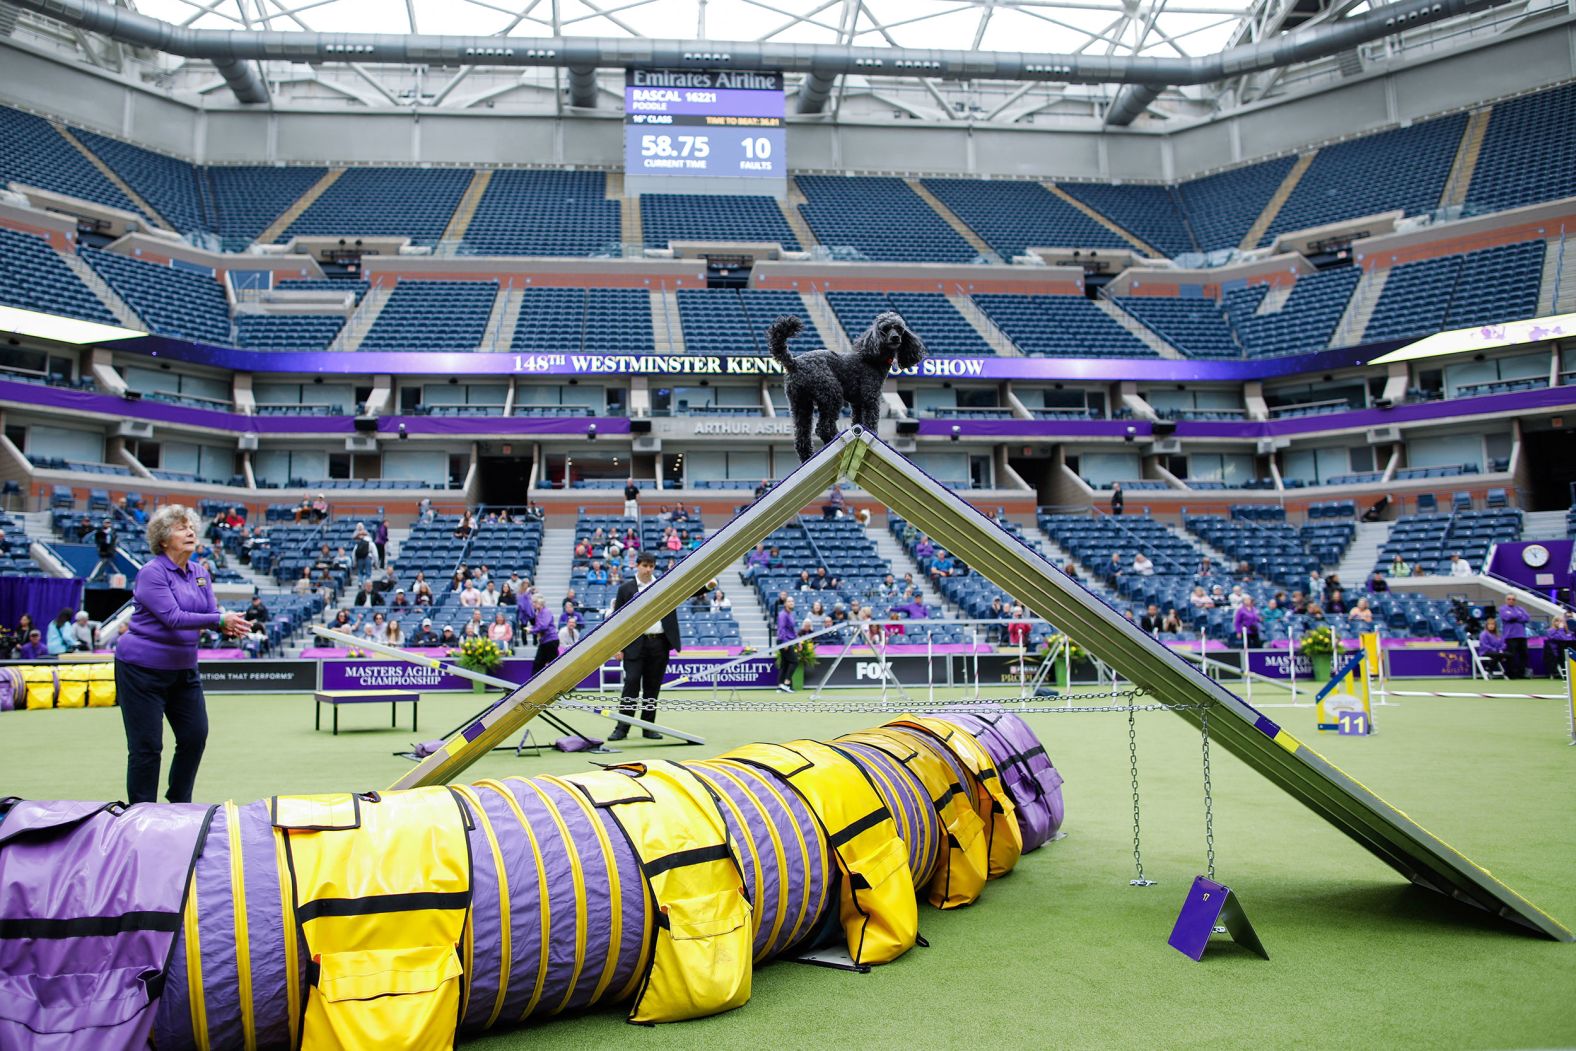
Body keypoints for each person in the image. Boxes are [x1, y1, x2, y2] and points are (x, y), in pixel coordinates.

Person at [115, 504, 250, 804]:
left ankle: (179, 803)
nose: (190, 532)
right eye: (180, 527)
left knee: (194, 736)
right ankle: (142, 811)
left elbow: (211, 614)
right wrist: (218, 621)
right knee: (146, 746)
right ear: (163, 540)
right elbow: (173, 617)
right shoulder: (151, 573)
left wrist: (227, 625)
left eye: (191, 526)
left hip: (183, 669)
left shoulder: (201, 573)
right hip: (141, 670)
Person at [610, 552, 712, 734]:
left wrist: (708, 586)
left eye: (651, 566)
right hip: (634, 644)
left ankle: (648, 728)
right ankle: (622, 728)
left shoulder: (663, 585)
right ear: (637, 566)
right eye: (645, 566)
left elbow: (687, 590)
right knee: (631, 683)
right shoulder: (626, 588)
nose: (648, 570)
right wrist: (617, 646)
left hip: (659, 644)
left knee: (653, 686)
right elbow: (616, 619)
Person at [1498, 593, 1531, 679]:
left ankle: (1521, 673)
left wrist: (1514, 616)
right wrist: (1519, 616)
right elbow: (1507, 617)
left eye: (1513, 599)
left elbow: (1527, 618)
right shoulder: (1503, 609)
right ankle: (1511, 674)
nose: (1511, 601)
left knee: (1524, 655)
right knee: (1511, 656)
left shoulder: (1520, 608)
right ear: (1506, 600)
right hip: (1510, 636)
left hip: (1522, 636)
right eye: (1509, 599)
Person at [776, 595, 801, 693]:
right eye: (789, 601)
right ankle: (786, 684)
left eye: (793, 601)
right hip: (784, 641)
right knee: (794, 661)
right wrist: (784, 642)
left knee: (785, 664)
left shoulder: (791, 614)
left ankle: (780, 686)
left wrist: (798, 641)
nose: (792, 603)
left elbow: (792, 630)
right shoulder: (783, 614)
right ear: (785, 603)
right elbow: (781, 629)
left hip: (790, 641)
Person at [1544, 612, 1572, 679]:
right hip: (1554, 653)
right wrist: (1561, 629)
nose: (1560, 623)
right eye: (1558, 621)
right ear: (1554, 622)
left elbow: (1569, 638)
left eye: (1562, 621)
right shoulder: (1550, 631)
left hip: (1563, 652)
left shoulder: (1567, 631)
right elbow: (1562, 638)